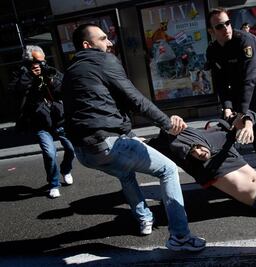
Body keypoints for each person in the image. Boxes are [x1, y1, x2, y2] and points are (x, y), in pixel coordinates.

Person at [61, 23, 206, 252]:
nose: (109, 43)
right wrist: (168, 124)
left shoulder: (71, 71)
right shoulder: (103, 60)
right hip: (107, 143)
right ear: (87, 45)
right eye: (103, 39)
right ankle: (180, 236)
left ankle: (143, 219)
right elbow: (135, 100)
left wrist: (129, 135)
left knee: (126, 172)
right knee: (168, 170)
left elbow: (95, 108)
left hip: (84, 153)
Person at [148, 125, 256, 211]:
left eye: (196, 147)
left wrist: (248, 123)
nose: (198, 153)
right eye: (192, 153)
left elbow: (243, 117)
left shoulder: (217, 138)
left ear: (200, 140)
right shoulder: (194, 165)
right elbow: (151, 145)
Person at [206, 8, 256, 164]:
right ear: (211, 31)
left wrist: (242, 113)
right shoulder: (212, 50)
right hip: (238, 90)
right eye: (219, 26)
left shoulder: (245, 40)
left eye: (228, 23)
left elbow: (249, 79)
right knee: (228, 130)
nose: (226, 28)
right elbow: (220, 82)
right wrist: (228, 107)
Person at [10, 45, 75, 199]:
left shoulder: (50, 70)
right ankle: (54, 184)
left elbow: (64, 89)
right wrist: (28, 77)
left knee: (71, 149)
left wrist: (52, 80)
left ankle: (65, 170)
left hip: (59, 119)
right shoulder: (20, 75)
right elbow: (14, 95)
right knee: (49, 154)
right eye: (38, 61)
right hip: (40, 123)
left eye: (43, 60)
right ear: (28, 61)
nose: (41, 63)